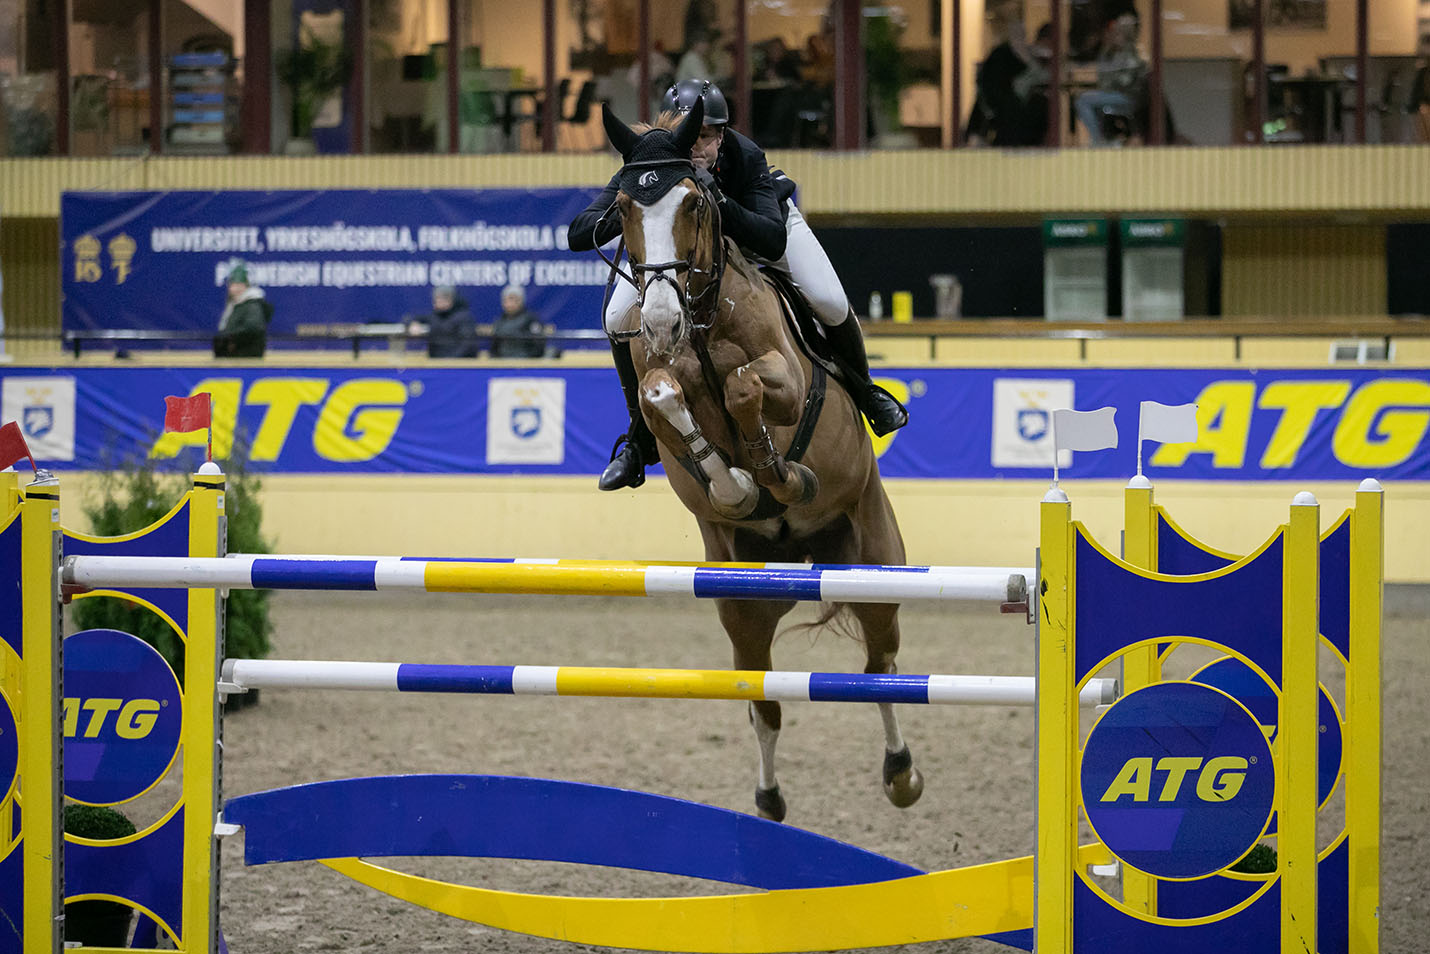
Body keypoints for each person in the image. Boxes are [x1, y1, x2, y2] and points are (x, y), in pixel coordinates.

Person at [567, 78, 908, 492]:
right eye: (687, 137)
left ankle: (865, 391)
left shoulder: (745, 156)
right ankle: (639, 439)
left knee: (829, 300)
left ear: (722, 136)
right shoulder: (651, 161)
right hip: (686, 249)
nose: (695, 148)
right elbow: (578, 233)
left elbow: (771, 240)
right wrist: (626, 208)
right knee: (615, 317)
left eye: (705, 136)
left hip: (760, 228)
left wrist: (720, 202)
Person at [966, 4, 1050, 147]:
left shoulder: (1024, 55)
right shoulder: (1005, 55)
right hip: (1006, 106)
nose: (1021, 37)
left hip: (1007, 105)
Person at [1074, 12, 1148, 145]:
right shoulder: (1113, 52)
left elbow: (1124, 81)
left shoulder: (1131, 53)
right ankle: (1106, 138)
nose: (1113, 36)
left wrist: (1107, 84)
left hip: (1127, 96)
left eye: (1117, 33)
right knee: (1090, 102)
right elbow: (1103, 73)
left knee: (1083, 100)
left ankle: (1097, 140)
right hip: (1115, 93)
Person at [213, 260, 273, 358]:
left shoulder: (252, 304)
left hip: (246, 357)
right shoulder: (235, 304)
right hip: (237, 355)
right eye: (233, 285)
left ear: (246, 286)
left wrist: (229, 338)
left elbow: (253, 328)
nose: (236, 289)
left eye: (240, 285)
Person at [411, 284, 478, 358]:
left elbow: (468, 345)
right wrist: (414, 323)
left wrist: (451, 360)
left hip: (458, 361)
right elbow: (412, 318)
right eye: (436, 299)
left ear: (451, 300)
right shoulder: (435, 315)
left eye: (442, 299)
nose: (438, 302)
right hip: (435, 360)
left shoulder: (464, 317)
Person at [489, 285, 548, 358]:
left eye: (513, 300)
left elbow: (538, 346)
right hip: (502, 362)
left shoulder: (531, 319)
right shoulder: (499, 321)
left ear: (521, 301)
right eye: (506, 300)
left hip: (525, 361)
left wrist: (527, 359)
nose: (509, 304)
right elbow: (494, 348)